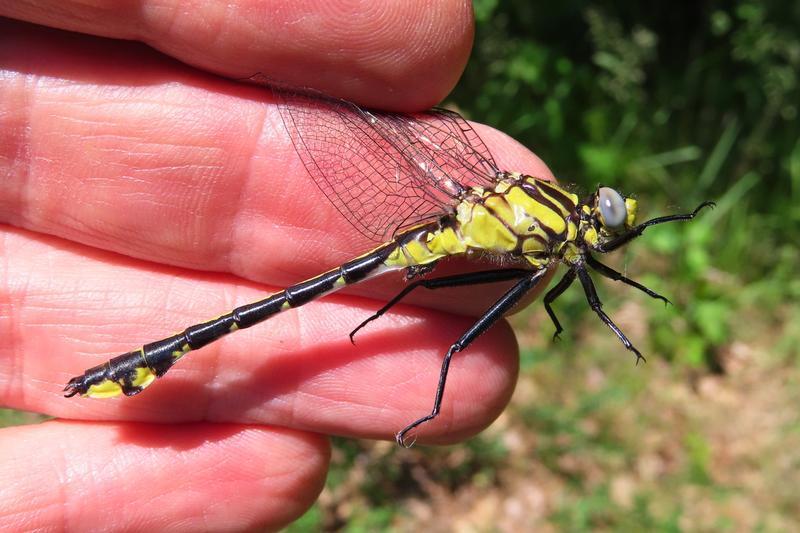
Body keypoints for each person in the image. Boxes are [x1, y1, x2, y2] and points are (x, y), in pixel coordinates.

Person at [0, 2, 554, 529]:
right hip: (438, 234)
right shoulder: (549, 235)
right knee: (277, 307)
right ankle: (151, 360)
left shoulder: (539, 230)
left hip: (443, 236)